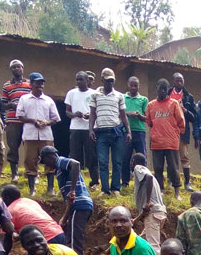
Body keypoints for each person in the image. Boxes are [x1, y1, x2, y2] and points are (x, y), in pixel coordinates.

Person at [40, 145, 93, 255]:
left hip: (79, 204)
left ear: (49, 157)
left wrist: (72, 190)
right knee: (71, 237)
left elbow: (76, 164)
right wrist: (65, 218)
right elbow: (69, 201)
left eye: (45, 161)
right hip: (78, 205)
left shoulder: (60, 161)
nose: (46, 165)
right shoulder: (59, 170)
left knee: (75, 242)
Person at [16, 73, 59, 196]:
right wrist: (33, 121)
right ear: (31, 84)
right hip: (30, 135)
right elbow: (20, 116)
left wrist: (46, 122)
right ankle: (32, 189)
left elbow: (55, 119)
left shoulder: (48, 100)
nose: (40, 85)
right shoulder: (24, 99)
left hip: (46, 135)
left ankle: (50, 189)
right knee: (30, 161)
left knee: (50, 161)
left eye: (41, 83)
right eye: (37, 83)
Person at [92, 67, 130, 195]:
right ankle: (105, 190)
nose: (110, 83)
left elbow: (123, 115)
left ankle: (115, 188)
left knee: (117, 161)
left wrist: (128, 131)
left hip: (116, 132)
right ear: (102, 79)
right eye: (108, 80)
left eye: (112, 81)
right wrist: (90, 129)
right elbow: (92, 114)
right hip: (101, 132)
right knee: (102, 162)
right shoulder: (95, 95)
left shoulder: (119, 96)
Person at [147, 79, 186, 197]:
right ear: (156, 89)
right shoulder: (151, 105)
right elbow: (149, 122)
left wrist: (176, 135)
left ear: (167, 90)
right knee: (158, 168)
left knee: (173, 167)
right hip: (157, 142)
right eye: (160, 88)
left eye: (165, 89)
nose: (162, 91)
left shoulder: (174, 104)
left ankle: (177, 191)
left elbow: (181, 122)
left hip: (171, 142)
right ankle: (160, 191)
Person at [0, 183, 64, 248]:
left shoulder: (10, 211)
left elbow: (6, 240)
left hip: (44, 240)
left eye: (2, 197)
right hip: (59, 233)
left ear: (7, 197)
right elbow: (37, 224)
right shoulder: (29, 201)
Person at [129, 152, 169, 248]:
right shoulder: (148, 175)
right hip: (159, 213)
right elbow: (146, 210)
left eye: (131, 162)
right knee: (139, 244)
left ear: (133, 162)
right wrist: (136, 219)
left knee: (153, 247)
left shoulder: (138, 168)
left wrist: (147, 202)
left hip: (153, 215)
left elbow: (149, 178)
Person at [63, 71, 96, 180]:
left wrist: (89, 115)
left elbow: (97, 111)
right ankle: (75, 180)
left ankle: (95, 181)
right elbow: (67, 112)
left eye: (81, 79)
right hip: (75, 128)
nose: (78, 81)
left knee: (91, 156)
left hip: (89, 129)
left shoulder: (94, 94)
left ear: (87, 80)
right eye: (77, 79)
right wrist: (74, 114)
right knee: (75, 156)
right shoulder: (71, 93)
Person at [1, 60, 30, 181]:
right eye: (13, 67)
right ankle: (14, 173)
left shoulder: (30, 83)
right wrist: (11, 105)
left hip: (28, 120)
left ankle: (32, 172)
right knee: (13, 147)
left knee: (30, 147)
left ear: (23, 68)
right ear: (11, 70)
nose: (16, 69)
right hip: (13, 120)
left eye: (18, 66)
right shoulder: (7, 85)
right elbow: (3, 104)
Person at [170, 73, 198, 191]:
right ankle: (172, 181)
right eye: (177, 80)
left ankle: (187, 183)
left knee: (184, 156)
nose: (179, 83)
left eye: (181, 80)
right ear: (173, 81)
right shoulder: (167, 94)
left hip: (183, 131)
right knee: (171, 156)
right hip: (170, 130)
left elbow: (195, 117)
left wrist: (185, 111)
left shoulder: (188, 97)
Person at [123, 75, 149, 184]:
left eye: (135, 86)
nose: (133, 88)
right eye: (131, 85)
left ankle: (142, 181)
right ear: (128, 85)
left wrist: (139, 116)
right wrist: (129, 114)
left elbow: (146, 118)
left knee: (141, 156)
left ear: (139, 86)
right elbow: (119, 113)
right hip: (125, 131)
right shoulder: (122, 97)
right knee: (125, 157)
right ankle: (125, 181)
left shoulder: (143, 99)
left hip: (139, 131)